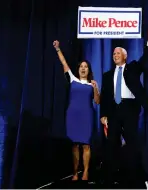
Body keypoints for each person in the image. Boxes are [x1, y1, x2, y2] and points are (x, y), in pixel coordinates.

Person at [100, 24, 148, 186]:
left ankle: (135, 179)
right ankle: (110, 180)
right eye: (113, 53)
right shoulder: (107, 75)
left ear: (125, 56)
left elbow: (146, 58)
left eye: (118, 53)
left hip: (129, 109)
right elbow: (105, 97)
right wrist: (103, 114)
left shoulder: (133, 68)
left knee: (132, 145)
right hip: (113, 111)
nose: (115, 55)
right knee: (111, 145)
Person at [53, 40, 100, 181]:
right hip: (73, 115)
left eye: (86, 67)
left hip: (87, 116)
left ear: (89, 70)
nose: (83, 69)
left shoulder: (92, 84)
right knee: (74, 144)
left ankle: (85, 172)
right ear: (78, 69)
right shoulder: (72, 79)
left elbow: (97, 101)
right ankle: (75, 172)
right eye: (81, 66)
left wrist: (96, 87)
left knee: (86, 144)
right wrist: (58, 49)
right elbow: (64, 63)